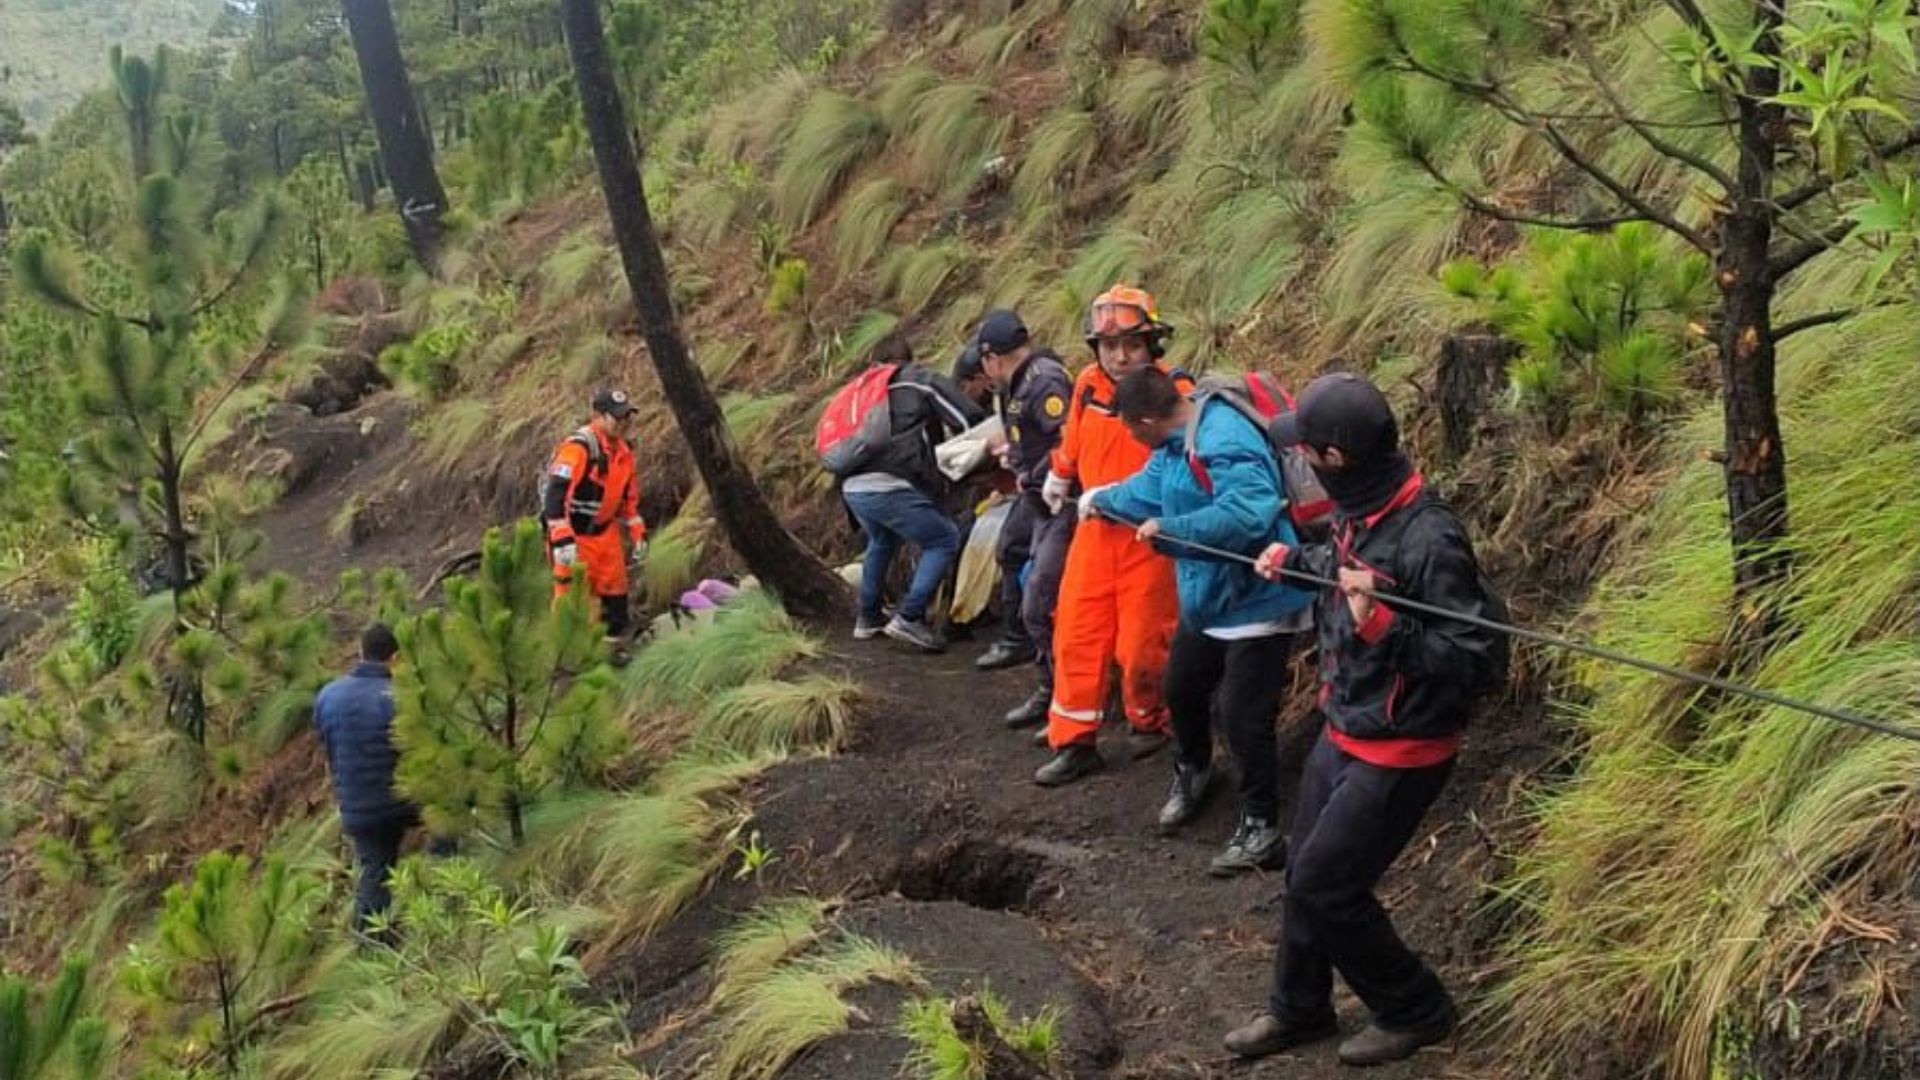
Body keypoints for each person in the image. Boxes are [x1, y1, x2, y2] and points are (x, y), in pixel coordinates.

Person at [1224, 372, 1504, 1067]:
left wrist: (1385, 625)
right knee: (1304, 878)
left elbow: (1477, 660)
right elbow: (1343, 563)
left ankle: (1416, 1007)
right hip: (1344, 729)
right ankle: (1300, 1008)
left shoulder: (1431, 538)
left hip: (1403, 749)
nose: (1304, 463)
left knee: (1327, 887)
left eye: (1309, 452)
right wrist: (1297, 563)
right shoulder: (1363, 507)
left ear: (1336, 459)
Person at [1090, 365, 1314, 874]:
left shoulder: (1222, 436)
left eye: (1127, 428)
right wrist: (1100, 501)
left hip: (1260, 597)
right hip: (1209, 599)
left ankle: (1261, 825)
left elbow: (1250, 510)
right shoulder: (1172, 444)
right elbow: (1146, 490)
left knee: (1242, 714)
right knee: (1182, 687)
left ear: (1145, 420)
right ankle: (1194, 768)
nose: (1128, 437)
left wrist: (1172, 531)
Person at [1033, 285, 1188, 786]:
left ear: (1152, 345)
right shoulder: (1087, 387)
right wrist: (1059, 473)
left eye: (1132, 345)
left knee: (1144, 640)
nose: (1120, 356)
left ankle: (1150, 719)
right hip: (1094, 532)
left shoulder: (1174, 393)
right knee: (1076, 634)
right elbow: (1074, 440)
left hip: (1149, 537)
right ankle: (1073, 740)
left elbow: (1184, 467)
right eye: (1110, 346)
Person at [841, 334, 986, 651]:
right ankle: (909, 616)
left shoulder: (859, 393)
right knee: (943, 538)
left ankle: (867, 617)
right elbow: (967, 419)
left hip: (852, 488)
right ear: (908, 360)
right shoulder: (916, 380)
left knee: (883, 539)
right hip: (890, 485)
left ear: (873, 363)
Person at [972, 310, 1075, 730]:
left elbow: (1069, 438)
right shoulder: (1014, 386)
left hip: (1059, 501)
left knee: (1041, 597)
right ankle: (1021, 647)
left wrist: (1041, 474)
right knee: (1009, 551)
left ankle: (1058, 692)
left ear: (992, 358)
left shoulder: (1043, 382)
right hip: (1033, 495)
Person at [313, 623, 422, 936]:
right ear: (396, 658)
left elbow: (326, 742)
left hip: (355, 806)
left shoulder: (328, 696)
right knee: (449, 821)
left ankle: (372, 942)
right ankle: (445, 887)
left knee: (373, 869)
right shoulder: (399, 696)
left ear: (361, 653)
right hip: (401, 802)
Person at [544, 389, 647, 662]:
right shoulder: (579, 448)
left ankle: (611, 652)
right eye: (617, 418)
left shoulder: (622, 453)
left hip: (605, 535)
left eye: (627, 417)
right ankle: (569, 661)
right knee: (573, 600)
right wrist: (561, 538)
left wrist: (637, 532)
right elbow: (555, 494)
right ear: (598, 417)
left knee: (615, 598)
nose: (624, 423)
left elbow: (629, 499)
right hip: (576, 538)